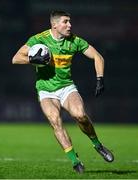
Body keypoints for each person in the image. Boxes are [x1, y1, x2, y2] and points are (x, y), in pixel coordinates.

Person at [12, 10, 114, 173]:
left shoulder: (74, 41)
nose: (70, 25)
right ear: (54, 25)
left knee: (80, 115)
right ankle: (75, 161)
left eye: (70, 21)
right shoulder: (39, 39)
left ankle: (98, 145)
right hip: (45, 90)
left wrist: (100, 78)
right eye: (65, 22)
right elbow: (16, 58)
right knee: (55, 120)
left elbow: (97, 57)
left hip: (66, 87)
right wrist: (33, 59)